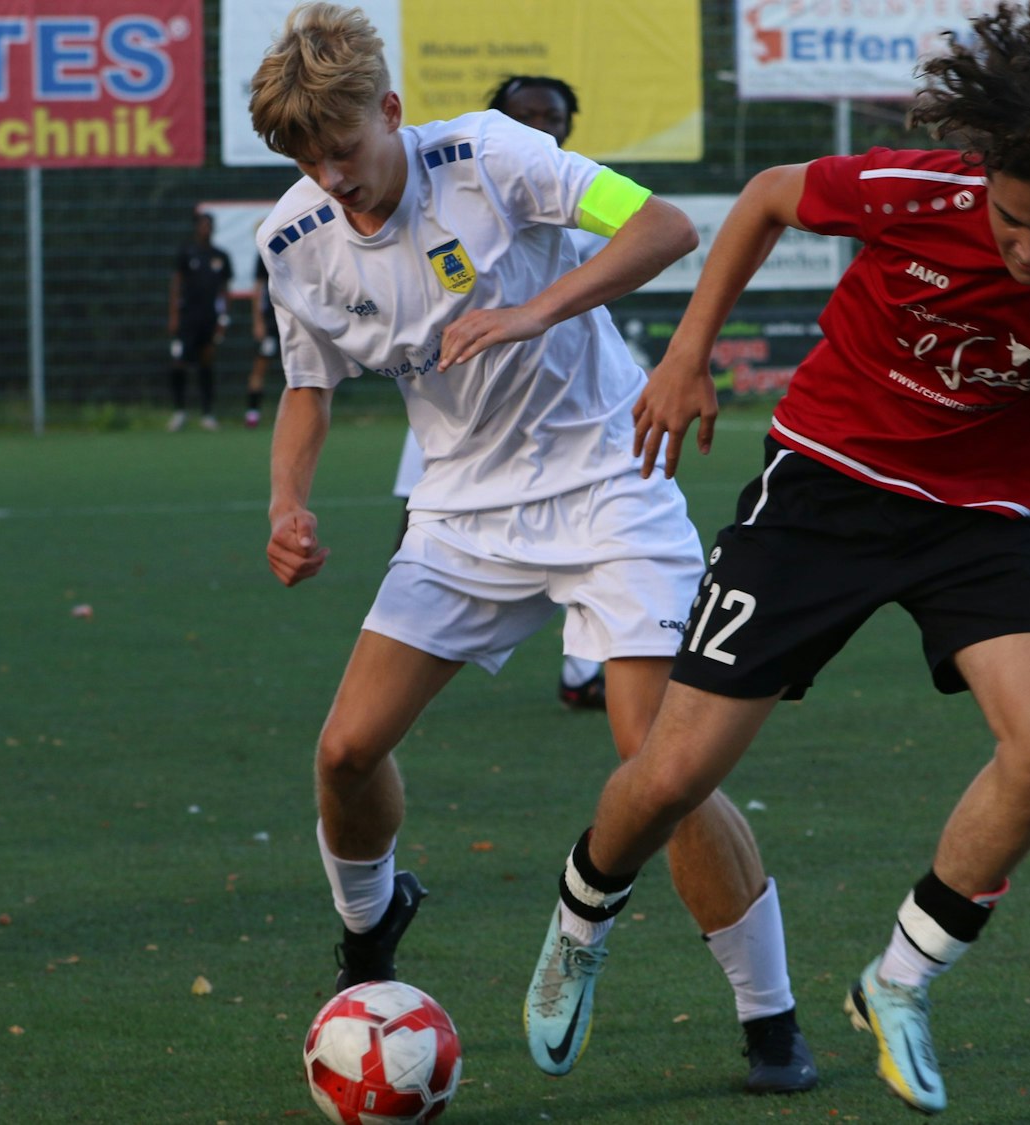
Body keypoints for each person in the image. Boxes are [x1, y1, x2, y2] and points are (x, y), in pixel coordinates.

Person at [523, 2, 1030, 1113]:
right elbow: (767, 195)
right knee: (676, 773)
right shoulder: (913, 193)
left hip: (977, 525)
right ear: (984, 182)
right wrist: (687, 352)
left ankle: (897, 980)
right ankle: (580, 922)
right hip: (822, 491)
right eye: (1013, 223)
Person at [248, 3, 815, 1093]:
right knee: (344, 751)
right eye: (310, 162)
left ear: (394, 112)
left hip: (611, 484)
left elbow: (660, 226)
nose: (336, 179)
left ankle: (768, 1019)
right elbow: (305, 388)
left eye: (349, 150)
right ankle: (370, 938)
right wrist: (287, 503)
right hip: (460, 515)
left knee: (662, 763)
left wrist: (531, 311)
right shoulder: (292, 242)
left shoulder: (492, 153)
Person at [388, 74, 608, 710]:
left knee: (594, 546)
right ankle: (412, 618)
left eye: (554, 117)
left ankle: (582, 671)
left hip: (566, 404)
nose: (542, 127)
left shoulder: (584, 196)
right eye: (526, 115)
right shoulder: (447, 200)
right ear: (496, 124)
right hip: (461, 395)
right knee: (422, 515)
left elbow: (656, 235)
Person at [168, 211, 232, 432]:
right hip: (187, 317)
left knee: (206, 362)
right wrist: (174, 315)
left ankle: (207, 413)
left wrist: (223, 318)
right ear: (196, 227)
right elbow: (177, 284)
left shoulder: (220, 256)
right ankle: (179, 412)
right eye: (202, 224)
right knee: (179, 361)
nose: (206, 228)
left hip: (209, 318)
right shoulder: (186, 252)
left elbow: (224, 291)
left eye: (209, 225)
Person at [247, 256, 276, 428]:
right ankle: (252, 413)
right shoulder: (266, 253)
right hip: (271, 322)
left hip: (296, 321)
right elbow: (258, 289)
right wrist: (258, 321)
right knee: (260, 366)